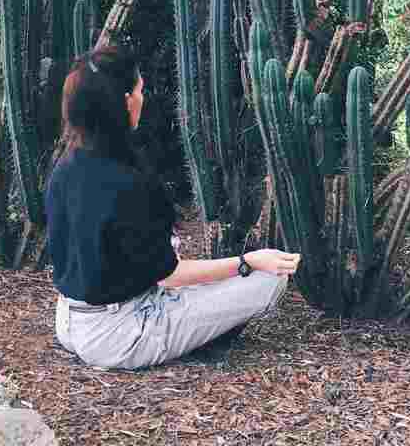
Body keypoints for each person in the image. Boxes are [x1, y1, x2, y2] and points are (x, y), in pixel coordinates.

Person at [45, 45, 300, 369]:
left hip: (70, 319)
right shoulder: (126, 182)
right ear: (124, 101)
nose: (143, 97)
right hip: (119, 334)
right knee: (268, 279)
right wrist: (247, 261)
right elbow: (170, 276)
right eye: (140, 90)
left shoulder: (66, 167)